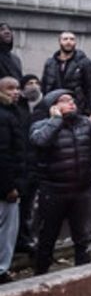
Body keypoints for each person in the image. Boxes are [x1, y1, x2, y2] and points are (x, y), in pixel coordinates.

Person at [29, 89, 91, 273]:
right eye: (64, 101)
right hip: (53, 191)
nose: (71, 103)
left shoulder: (85, 123)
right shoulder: (40, 125)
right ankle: (39, 277)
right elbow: (40, 141)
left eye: (72, 100)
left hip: (82, 191)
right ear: (52, 106)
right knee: (47, 238)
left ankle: (82, 276)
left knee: (83, 238)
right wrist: (56, 120)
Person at [40, 32, 91, 125]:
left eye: (72, 39)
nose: (69, 42)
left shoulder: (84, 62)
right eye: (65, 39)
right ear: (60, 42)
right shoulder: (50, 63)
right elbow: (45, 87)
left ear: (75, 43)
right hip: (55, 110)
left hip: (78, 109)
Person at [0, 77, 27, 281]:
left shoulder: (13, 113)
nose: (16, 92)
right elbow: (4, 154)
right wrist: (9, 186)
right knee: (6, 232)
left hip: (11, 182)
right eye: (10, 88)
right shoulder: (5, 116)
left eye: (18, 88)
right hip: (6, 187)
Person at [14, 75, 41, 256]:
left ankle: (24, 239)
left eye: (36, 83)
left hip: (34, 165)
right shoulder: (17, 108)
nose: (33, 87)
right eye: (29, 83)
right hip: (20, 165)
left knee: (27, 207)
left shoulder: (42, 107)